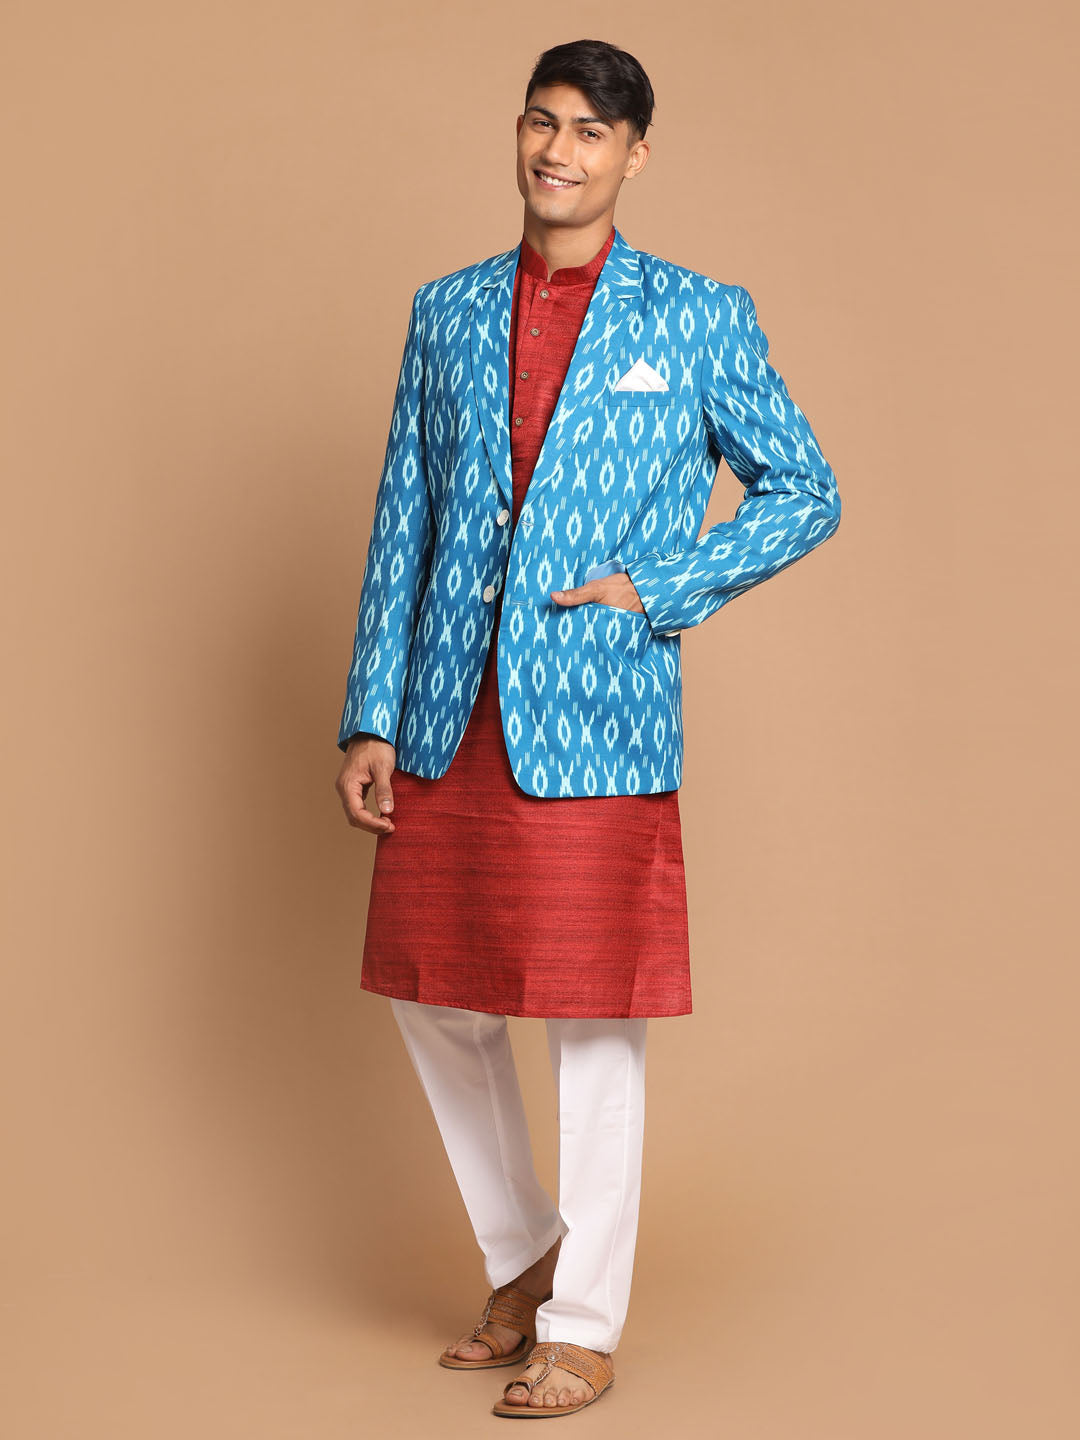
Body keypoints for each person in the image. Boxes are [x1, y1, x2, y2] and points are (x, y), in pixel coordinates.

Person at [334, 38, 841, 1419]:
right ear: (519, 134)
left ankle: (586, 1322)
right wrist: (369, 711)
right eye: (542, 123)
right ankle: (524, 1253)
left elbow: (804, 489)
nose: (560, 152)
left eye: (591, 132)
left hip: (596, 704)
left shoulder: (697, 314)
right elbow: (404, 517)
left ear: (635, 154)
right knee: (436, 993)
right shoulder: (445, 311)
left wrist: (660, 587)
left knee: (594, 1017)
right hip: (446, 704)